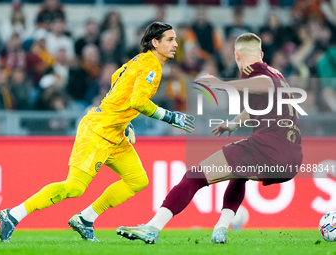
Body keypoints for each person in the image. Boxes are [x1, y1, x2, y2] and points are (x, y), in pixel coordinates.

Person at [0, 21, 195, 243]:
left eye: (175, 39)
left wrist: (123, 118)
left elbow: (116, 78)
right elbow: (138, 101)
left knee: (137, 180)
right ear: (155, 42)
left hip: (114, 131)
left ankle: (86, 218)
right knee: (74, 187)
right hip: (98, 130)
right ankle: (13, 215)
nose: (175, 44)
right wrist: (171, 117)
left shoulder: (139, 60)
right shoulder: (152, 65)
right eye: (170, 39)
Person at [116, 32, 303, 244]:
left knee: (195, 176)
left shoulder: (256, 72)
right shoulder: (276, 72)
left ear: (237, 56)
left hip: (268, 149)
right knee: (239, 173)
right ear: (260, 53)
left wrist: (221, 85)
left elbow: (264, 85)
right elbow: (258, 106)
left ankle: (152, 228)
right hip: (292, 158)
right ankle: (221, 229)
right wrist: (232, 124)